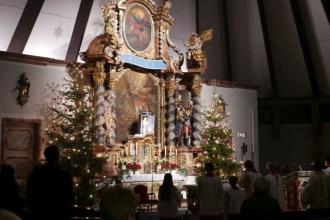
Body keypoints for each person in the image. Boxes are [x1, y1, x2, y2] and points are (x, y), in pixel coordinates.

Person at [27, 145, 74, 219]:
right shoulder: (64, 175)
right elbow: (70, 196)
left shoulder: (37, 173)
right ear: (57, 157)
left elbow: (31, 193)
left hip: (40, 211)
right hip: (59, 212)